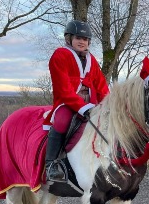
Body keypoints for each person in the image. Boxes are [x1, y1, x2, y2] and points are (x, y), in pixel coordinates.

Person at [43, 20, 110, 182]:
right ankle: (51, 165)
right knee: (61, 120)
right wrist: (82, 107)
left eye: (85, 39)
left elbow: (101, 85)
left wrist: (108, 104)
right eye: (78, 38)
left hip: (91, 104)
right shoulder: (60, 55)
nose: (82, 42)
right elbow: (63, 89)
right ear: (69, 39)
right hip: (67, 103)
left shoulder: (91, 60)